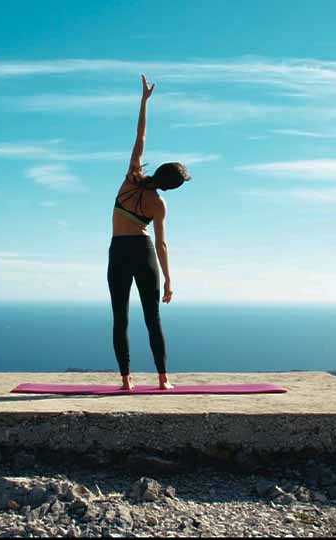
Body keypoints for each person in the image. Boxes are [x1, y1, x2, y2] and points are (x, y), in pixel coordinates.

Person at [108, 74, 191, 391]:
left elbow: (139, 136)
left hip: (119, 251)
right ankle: (163, 379)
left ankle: (126, 381)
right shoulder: (159, 205)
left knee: (121, 319)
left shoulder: (132, 177)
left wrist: (144, 101)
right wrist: (169, 279)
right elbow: (162, 244)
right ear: (172, 187)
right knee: (152, 319)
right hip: (143, 254)